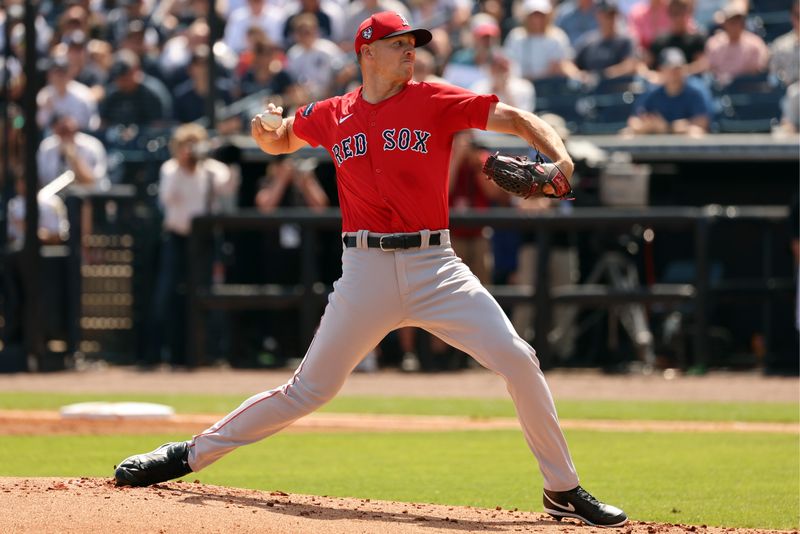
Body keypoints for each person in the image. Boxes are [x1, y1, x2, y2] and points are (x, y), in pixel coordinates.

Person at [113, 12, 628, 528]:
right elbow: (280, 139)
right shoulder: (333, 112)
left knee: (519, 359)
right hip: (365, 270)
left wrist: (560, 161)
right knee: (307, 391)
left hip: (436, 266)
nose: (410, 51)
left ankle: (562, 489)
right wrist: (265, 129)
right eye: (397, 43)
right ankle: (188, 455)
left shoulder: (433, 99)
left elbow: (516, 119)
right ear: (366, 53)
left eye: (412, 44)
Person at [145, 123, 239, 367]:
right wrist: (182, 164)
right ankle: (156, 354)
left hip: (205, 241)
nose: (189, 150)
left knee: (207, 294)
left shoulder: (210, 170)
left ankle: (210, 353)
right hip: (176, 238)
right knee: (166, 294)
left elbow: (228, 186)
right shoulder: (171, 169)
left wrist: (228, 160)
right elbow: (167, 197)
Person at [623, 47, 710, 136]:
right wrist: (648, 126)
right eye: (670, 69)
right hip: (656, 143)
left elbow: (702, 123)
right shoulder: (653, 92)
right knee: (627, 134)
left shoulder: (695, 92)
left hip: (684, 143)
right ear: (661, 69)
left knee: (695, 134)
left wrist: (668, 128)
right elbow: (633, 121)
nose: (675, 73)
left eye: (678, 68)